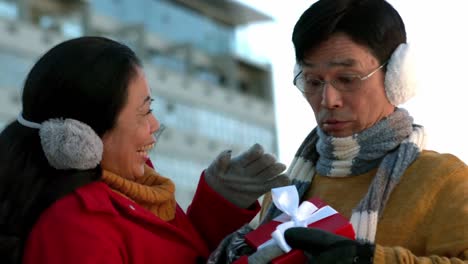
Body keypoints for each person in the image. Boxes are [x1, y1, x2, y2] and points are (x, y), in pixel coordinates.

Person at [213, 0, 468, 263]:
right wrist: (219, 211)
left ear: (397, 77)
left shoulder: (444, 180)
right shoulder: (284, 194)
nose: (328, 100)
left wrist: (368, 259)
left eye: (347, 79)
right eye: (313, 81)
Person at [0, 36, 290, 264]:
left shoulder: (134, 185)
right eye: (143, 112)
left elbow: (178, 254)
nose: (154, 124)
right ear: (82, 136)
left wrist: (217, 207)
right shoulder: (74, 228)